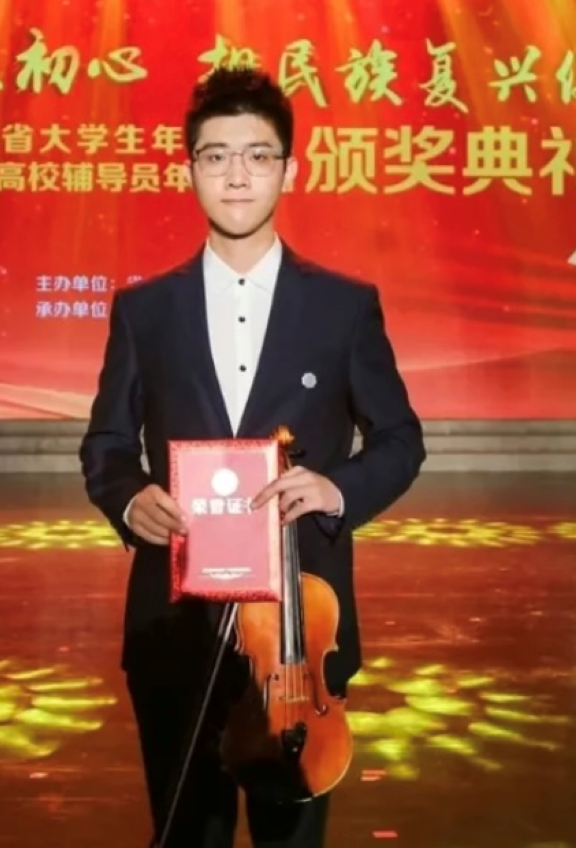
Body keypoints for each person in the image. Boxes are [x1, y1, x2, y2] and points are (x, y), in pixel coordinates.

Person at [79, 67, 426, 848]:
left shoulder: (343, 306)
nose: (236, 174)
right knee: (185, 832)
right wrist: (129, 496)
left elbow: (402, 438)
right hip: (176, 620)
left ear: (289, 170)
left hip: (301, 629)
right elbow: (106, 443)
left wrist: (335, 488)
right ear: (189, 170)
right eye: (216, 156)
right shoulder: (144, 310)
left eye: (257, 155)